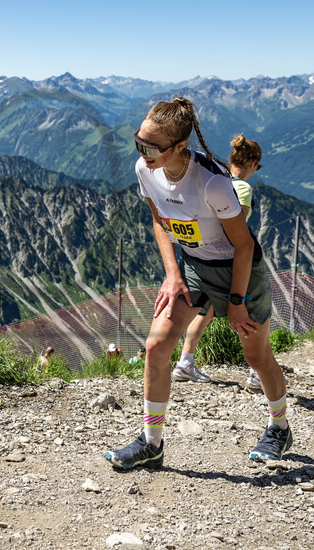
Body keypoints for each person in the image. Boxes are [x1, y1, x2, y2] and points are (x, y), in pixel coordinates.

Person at [105, 97, 293, 470]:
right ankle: (151, 442)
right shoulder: (146, 170)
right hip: (193, 267)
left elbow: (243, 245)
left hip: (238, 270)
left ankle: (279, 427)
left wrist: (237, 300)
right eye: (138, 142)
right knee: (157, 345)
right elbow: (159, 219)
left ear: (179, 147)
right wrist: (173, 273)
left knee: (256, 357)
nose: (143, 153)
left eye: (152, 147)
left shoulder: (213, 185)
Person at [171, 134, 263, 390]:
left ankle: (184, 363)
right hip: (231, 262)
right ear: (253, 162)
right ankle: (257, 372)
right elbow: (235, 226)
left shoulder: (217, 178)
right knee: (250, 310)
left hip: (203, 258)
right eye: (258, 166)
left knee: (206, 311)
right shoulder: (242, 188)